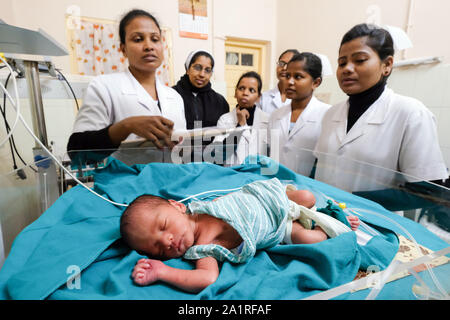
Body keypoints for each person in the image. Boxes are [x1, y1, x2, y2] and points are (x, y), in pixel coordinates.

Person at [120, 178, 360, 293]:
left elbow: (229, 199)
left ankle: (322, 212)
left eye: (163, 226)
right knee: (309, 239)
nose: (167, 242)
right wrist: (162, 271)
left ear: (177, 206)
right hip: (277, 229)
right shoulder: (203, 249)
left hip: (269, 199)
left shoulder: (198, 206)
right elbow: (207, 279)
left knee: (307, 196)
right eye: (159, 249)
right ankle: (333, 222)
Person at [313, 23, 448, 192]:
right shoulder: (331, 114)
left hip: (371, 218)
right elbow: (319, 164)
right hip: (322, 213)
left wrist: (352, 201)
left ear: (387, 65)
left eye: (360, 60)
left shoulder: (411, 113)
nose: (347, 69)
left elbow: (428, 189)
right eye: (342, 62)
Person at [67, 9, 186, 160]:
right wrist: (126, 126)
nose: (149, 46)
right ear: (123, 49)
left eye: (155, 39)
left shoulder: (174, 97)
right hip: (127, 182)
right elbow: (77, 152)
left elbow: (182, 150)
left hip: (173, 180)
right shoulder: (104, 87)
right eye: (138, 39)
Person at [268, 52, 330, 176]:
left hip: (307, 188)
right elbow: (269, 153)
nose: (290, 82)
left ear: (316, 82)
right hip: (275, 184)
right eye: (287, 76)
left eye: (298, 77)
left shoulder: (327, 115)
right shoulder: (276, 115)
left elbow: (324, 162)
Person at [214, 71, 269, 165]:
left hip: (258, 176)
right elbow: (218, 155)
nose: (245, 93)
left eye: (251, 90)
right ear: (235, 93)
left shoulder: (267, 120)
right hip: (232, 174)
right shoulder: (224, 120)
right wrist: (240, 125)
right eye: (241, 88)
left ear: (258, 97)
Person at [173, 50, 229, 130]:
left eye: (207, 70)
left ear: (211, 74)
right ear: (187, 69)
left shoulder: (219, 101)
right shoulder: (171, 95)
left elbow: (224, 133)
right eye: (197, 68)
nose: (202, 74)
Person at [257, 49, 300, 114]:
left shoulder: (301, 99)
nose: (284, 68)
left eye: (289, 64)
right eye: (281, 63)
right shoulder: (263, 98)